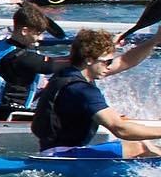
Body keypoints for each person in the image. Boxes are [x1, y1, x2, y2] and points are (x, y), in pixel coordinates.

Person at [31, 28, 161, 157]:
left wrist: (155, 40)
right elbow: (120, 129)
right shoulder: (82, 90)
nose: (109, 66)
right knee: (140, 147)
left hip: (54, 151)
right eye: (107, 61)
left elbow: (124, 61)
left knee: (146, 145)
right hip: (65, 155)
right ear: (89, 60)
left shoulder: (68, 73)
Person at [0, 2, 71, 120]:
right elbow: (50, 66)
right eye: (38, 33)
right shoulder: (19, 58)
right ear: (24, 31)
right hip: (11, 115)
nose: (41, 38)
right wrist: (83, 57)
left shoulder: (2, 46)